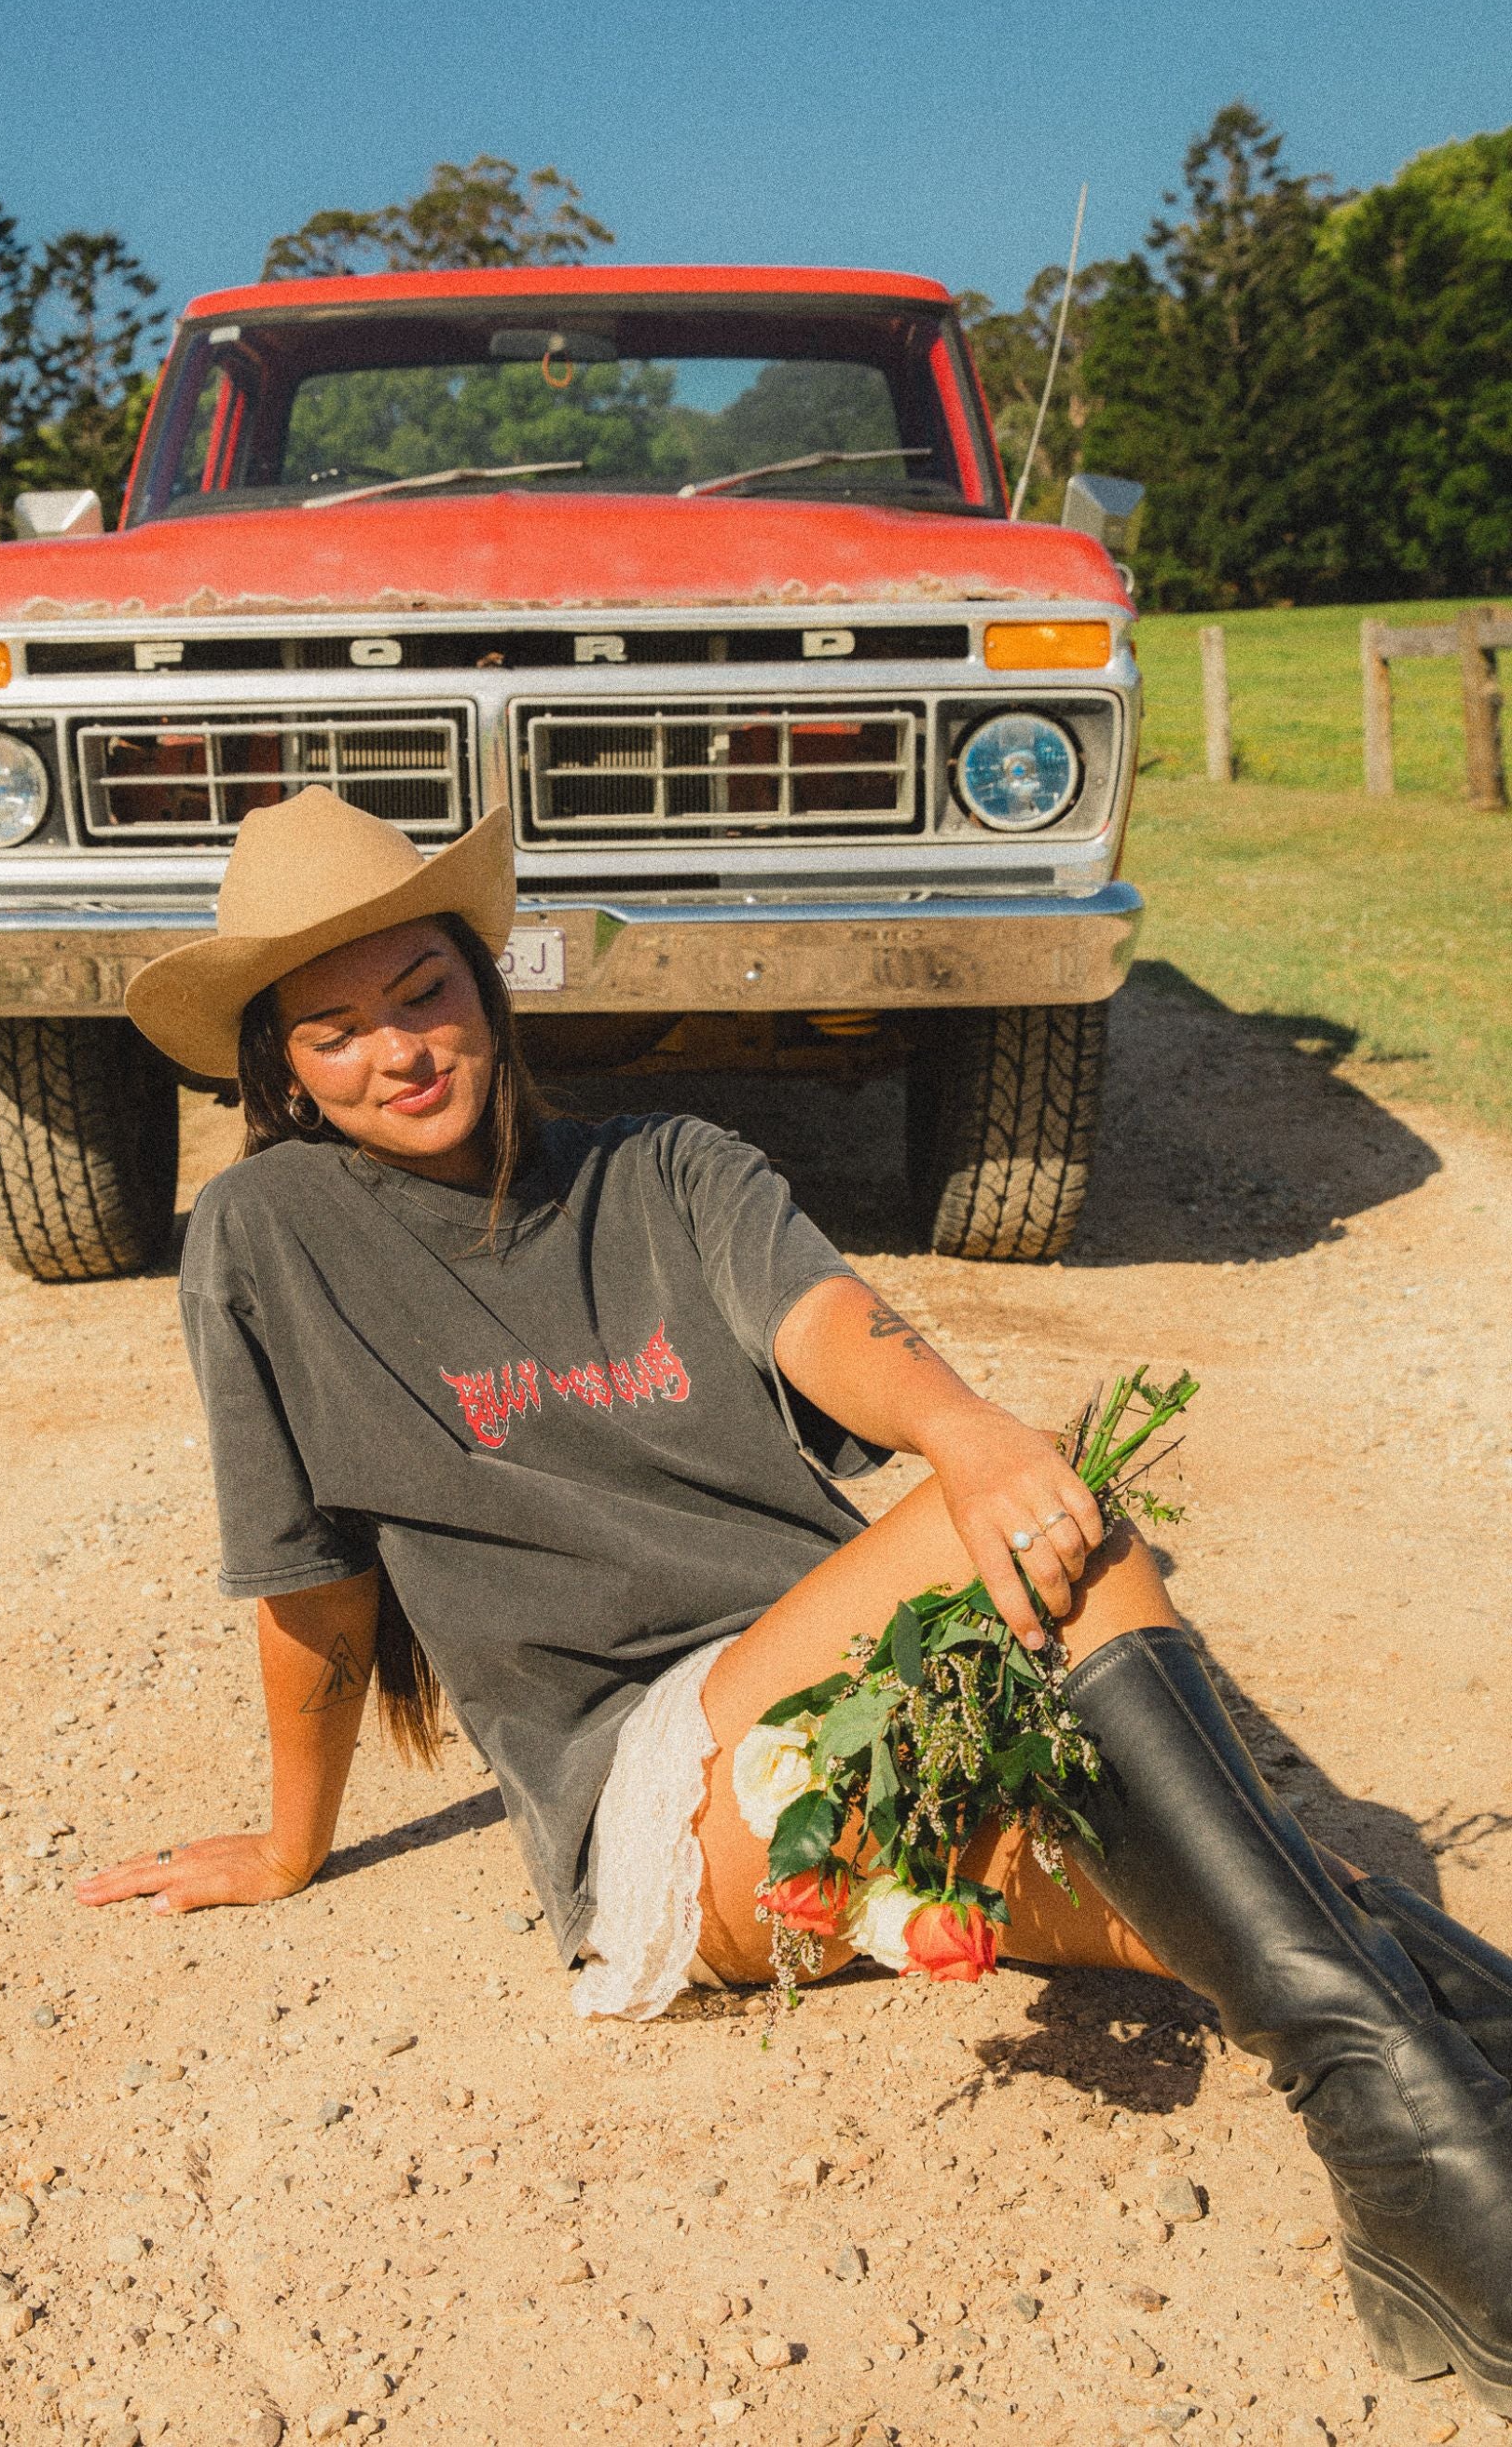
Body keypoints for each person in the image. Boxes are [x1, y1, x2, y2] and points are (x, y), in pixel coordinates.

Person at [78, 790, 1512, 2418]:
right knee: (1053, 1525)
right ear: (277, 1074)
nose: (393, 1051)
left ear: (489, 987)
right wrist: (285, 1845)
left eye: (421, 993)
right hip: (666, 1808)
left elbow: (831, 1319)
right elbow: (315, 1597)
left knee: (1256, 1893)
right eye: (331, 1032)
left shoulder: (669, 1165)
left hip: (871, 1707)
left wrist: (957, 1425)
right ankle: (1414, 2159)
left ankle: (1438, 2174)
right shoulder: (271, 1233)